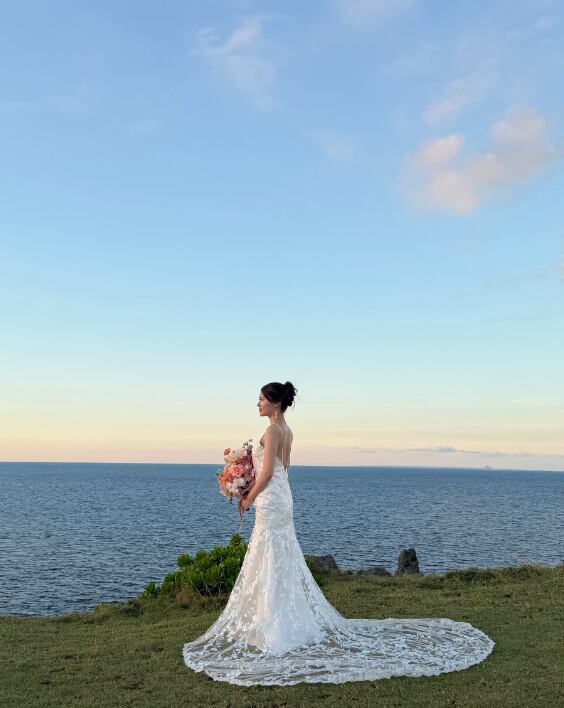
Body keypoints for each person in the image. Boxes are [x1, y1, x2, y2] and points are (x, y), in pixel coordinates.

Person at [182, 381, 495, 686]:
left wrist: (248, 496)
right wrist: (248, 483)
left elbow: (266, 472)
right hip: (281, 495)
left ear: (275, 403)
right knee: (277, 556)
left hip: (270, 498)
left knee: (270, 555)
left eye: (262, 399)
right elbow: (282, 470)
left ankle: (273, 629)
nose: (258, 403)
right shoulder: (287, 431)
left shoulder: (273, 431)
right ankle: (275, 621)